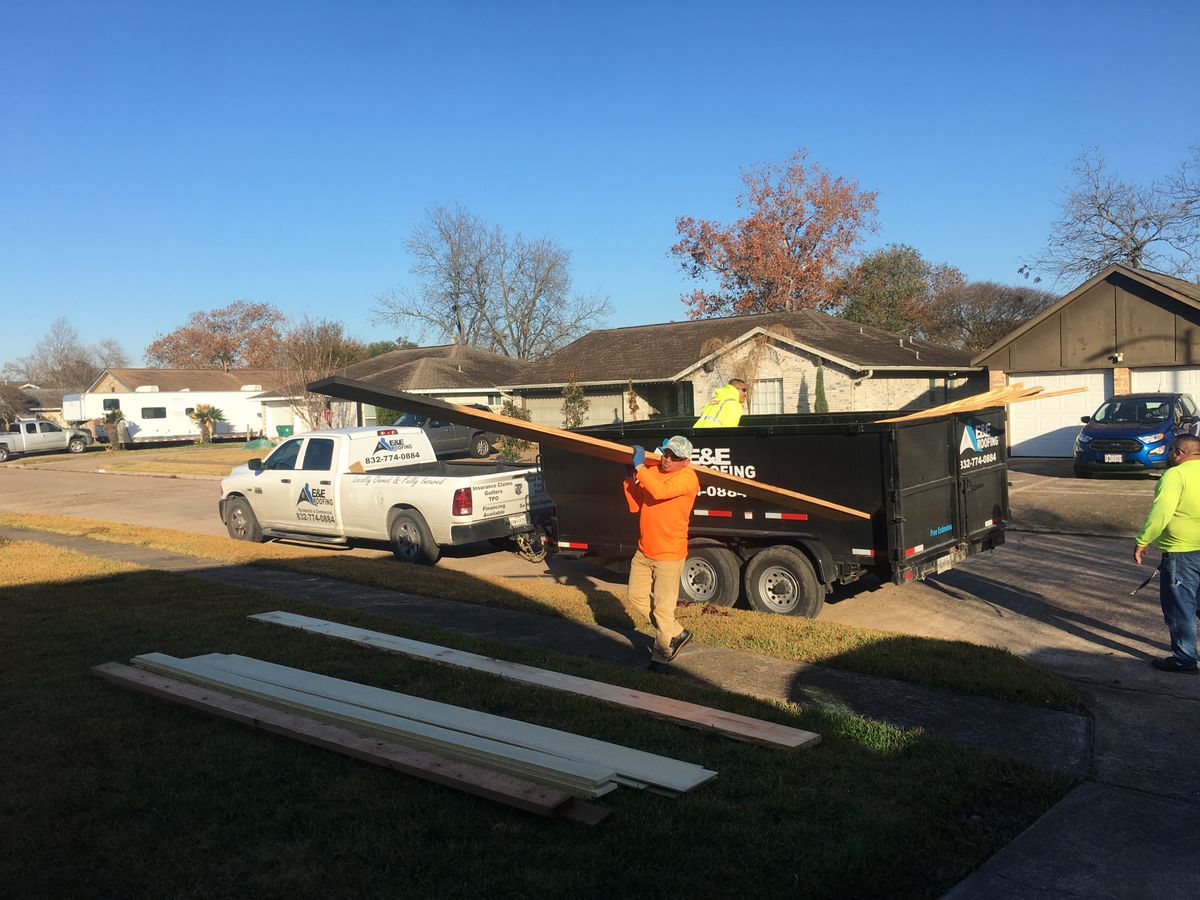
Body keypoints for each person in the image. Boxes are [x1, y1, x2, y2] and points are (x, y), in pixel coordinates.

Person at [623, 435, 701, 669]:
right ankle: (677, 632)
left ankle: (661, 656)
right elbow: (636, 504)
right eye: (666, 453)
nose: (667, 459)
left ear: (685, 461)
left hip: (669, 554)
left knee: (663, 609)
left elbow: (658, 492)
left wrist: (640, 467)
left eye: (674, 457)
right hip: (644, 550)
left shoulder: (688, 478)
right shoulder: (654, 471)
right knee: (635, 598)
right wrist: (630, 476)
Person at [1134, 434, 1200, 674]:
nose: (1169, 454)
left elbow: (1161, 511)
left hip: (1181, 551)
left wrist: (1143, 540)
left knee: (1180, 607)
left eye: (1171, 450)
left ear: (1178, 453)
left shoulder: (1175, 475)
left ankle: (1184, 658)